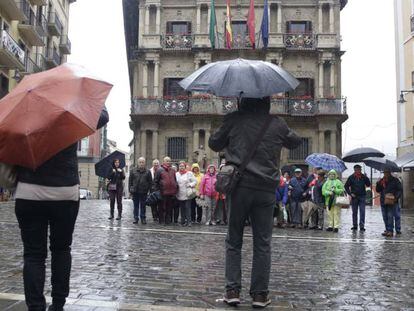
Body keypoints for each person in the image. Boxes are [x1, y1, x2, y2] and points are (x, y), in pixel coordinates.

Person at [208, 97, 301, 308]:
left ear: (242, 100)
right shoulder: (275, 123)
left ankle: (232, 290)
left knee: (233, 240)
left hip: (239, 188)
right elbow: (295, 141)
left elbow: (214, 143)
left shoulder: (233, 119)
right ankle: (260, 295)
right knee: (262, 243)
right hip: (266, 190)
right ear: (266, 100)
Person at [14, 108, 108, 311]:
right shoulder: (69, 114)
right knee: (61, 250)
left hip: (29, 191)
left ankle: (35, 307)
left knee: (33, 255)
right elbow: (102, 116)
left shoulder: (25, 113)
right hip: (64, 192)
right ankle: (58, 304)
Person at [376, 168, 402, 237]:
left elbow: (400, 190)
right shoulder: (381, 181)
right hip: (383, 201)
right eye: (384, 172)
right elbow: (378, 190)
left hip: (392, 201)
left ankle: (390, 230)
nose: (385, 174)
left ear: (390, 173)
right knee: (385, 217)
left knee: (390, 216)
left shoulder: (395, 180)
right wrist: (378, 183)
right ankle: (387, 230)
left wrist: (396, 198)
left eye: (387, 172)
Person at [344, 164, 371, 231]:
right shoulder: (351, 177)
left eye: (360, 169)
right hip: (354, 197)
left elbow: (368, 184)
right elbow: (346, 186)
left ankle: (362, 226)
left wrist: (366, 177)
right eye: (357, 169)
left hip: (362, 196)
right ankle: (355, 225)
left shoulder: (363, 177)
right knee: (354, 212)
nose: (359, 171)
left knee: (362, 211)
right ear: (355, 170)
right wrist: (350, 194)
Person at [153, 157, 178, 225]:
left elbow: (174, 180)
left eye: (169, 161)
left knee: (169, 208)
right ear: (163, 161)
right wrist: (156, 191)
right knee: (161, 207)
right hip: (162, 192)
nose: (168, 162)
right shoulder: (159, 170)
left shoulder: (172, 170)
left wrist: (175, 188)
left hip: (171, 192)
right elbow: (155, 181)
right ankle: (161, 220)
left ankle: (167, 220)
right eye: (167, 161)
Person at [129, 157, 152, 224]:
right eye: (140, 162)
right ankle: (136, 218)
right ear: (138, 163)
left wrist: (150, 191)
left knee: (143, 206)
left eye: (143, 162)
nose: (141, 163)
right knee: (136, 206)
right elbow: (130, 181)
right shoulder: (133, 170)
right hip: (135, 191)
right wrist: (130, 191)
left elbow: (150, 182)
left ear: (144, 163)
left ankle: (143, 218)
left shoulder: (148, 171)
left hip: (144, 191)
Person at [175, 161, 197, 226]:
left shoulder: (189, 173)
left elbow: (195, 181)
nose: (181, 167)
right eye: (180, 166)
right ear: (178, 167)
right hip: (179, 193)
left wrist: (190, 184)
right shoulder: (176, 174)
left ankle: (189, 222)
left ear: (185, 167)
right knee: (182, 208)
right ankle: (182, 221)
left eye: (183, 166)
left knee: (188, 208)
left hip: (187, 193)